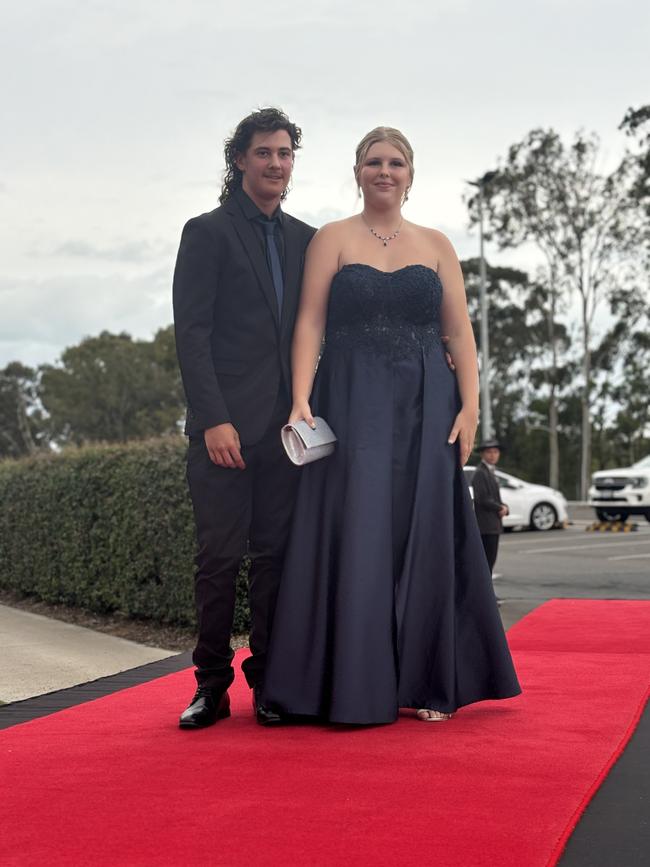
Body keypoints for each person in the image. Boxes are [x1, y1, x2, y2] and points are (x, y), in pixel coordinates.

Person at [263, 127, 521, 724]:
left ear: (411, 174)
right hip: (350, 400)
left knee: (425, 528)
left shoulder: (436, 245)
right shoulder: (331, 238)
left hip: (428, 402)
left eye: (396, 163)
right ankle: (350, 682)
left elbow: (459, 332)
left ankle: (431, 682)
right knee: (358, 527)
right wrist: (301, 398)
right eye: (375, 162)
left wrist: (470, 407)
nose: (385, 171)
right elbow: (309, 323)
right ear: (357, 171)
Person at [172, 108, 316, 728]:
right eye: (264, 153)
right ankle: (209, 685)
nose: (276, 163)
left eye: (285, 153)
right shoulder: (206, 232)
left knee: (277, 559)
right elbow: (192, 334)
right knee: (219, 560)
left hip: (288, 434)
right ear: (240, 160)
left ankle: (268, 683)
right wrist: (213, 419)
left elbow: (321, 327)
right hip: (224, 431)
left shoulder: (306, 239)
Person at [472, 440, 509, 576]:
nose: (493, 455)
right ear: (482, 454)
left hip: (492, 524)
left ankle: (486, 595)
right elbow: (482, 498)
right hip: (486, 525)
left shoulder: (491, 471)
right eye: (489, 452)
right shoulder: (481, 472)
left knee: (490, 561)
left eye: (495, 452)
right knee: (486, 561)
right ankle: (485, 595)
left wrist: (504, 507)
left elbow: (494, 497)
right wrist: (499, 508)